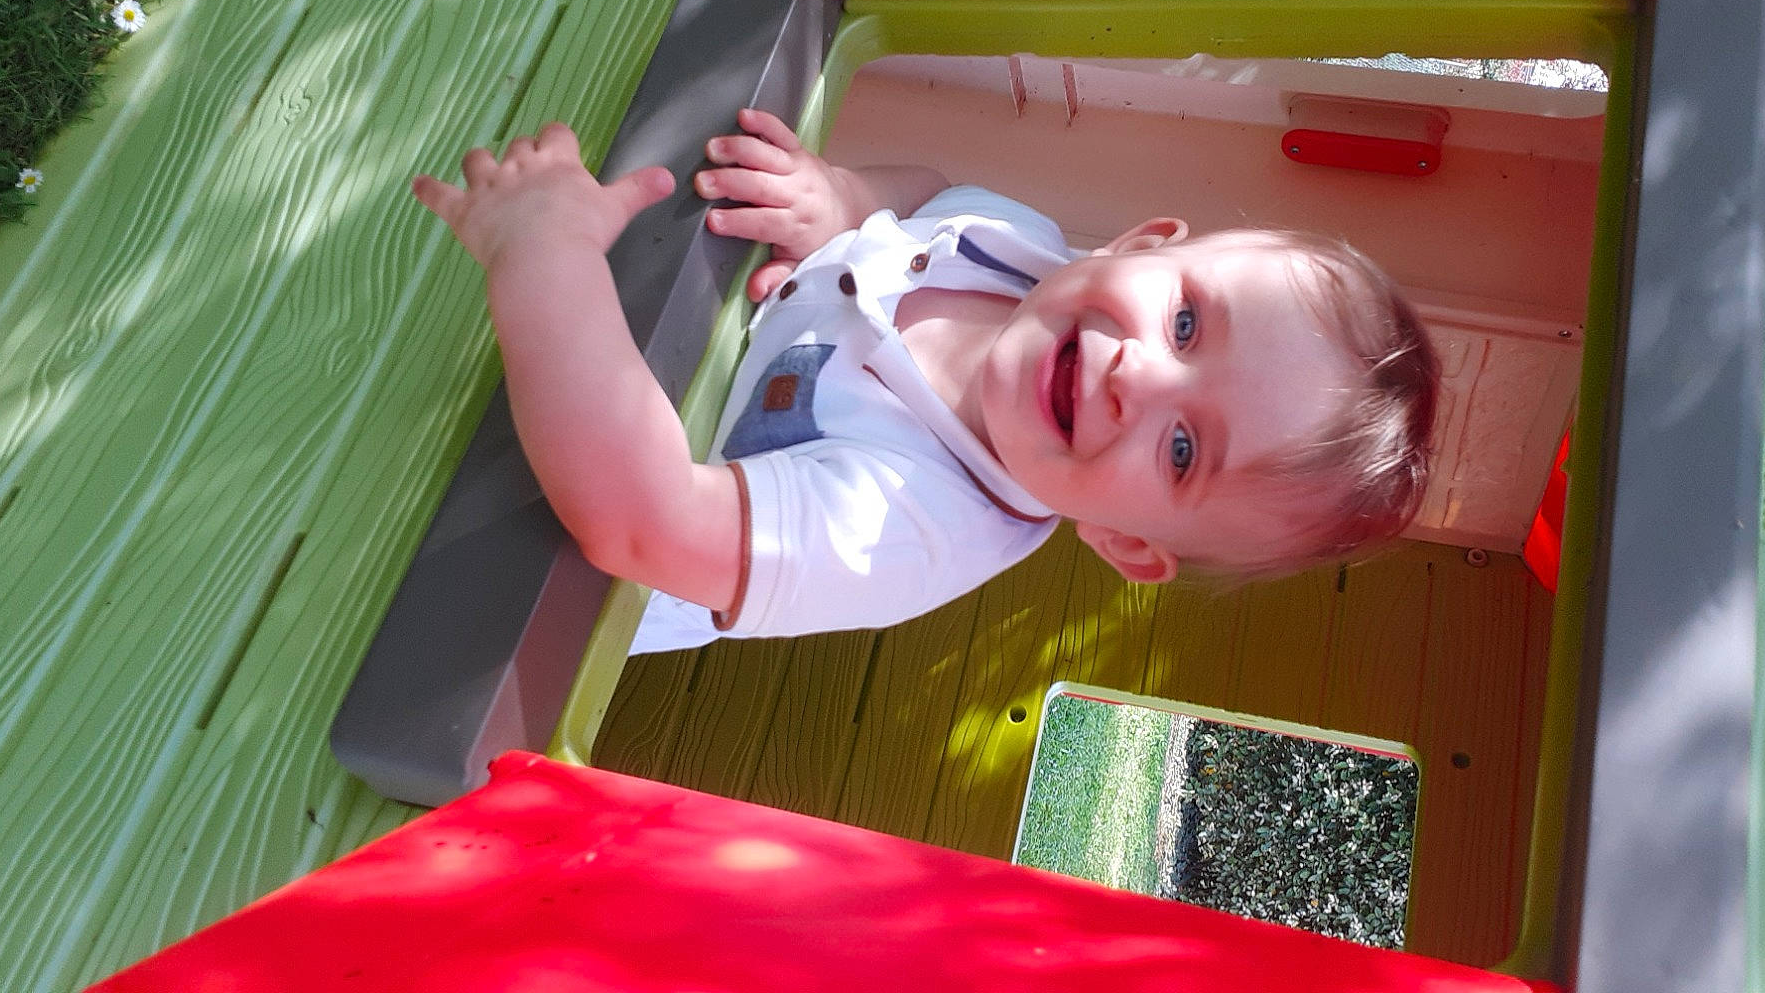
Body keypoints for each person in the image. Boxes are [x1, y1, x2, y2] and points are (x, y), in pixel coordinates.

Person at [411, 109, 1438, 655]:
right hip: (575, 350)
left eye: (1181, 451)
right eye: (1183, 321)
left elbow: (640, 522)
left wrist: (542, 256)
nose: (1139, 379)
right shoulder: (1013, 243)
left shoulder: (913, 531)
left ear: (1125, 544)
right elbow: (926, 191)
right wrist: (842, 200)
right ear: (1140, 240)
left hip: (499, 572)